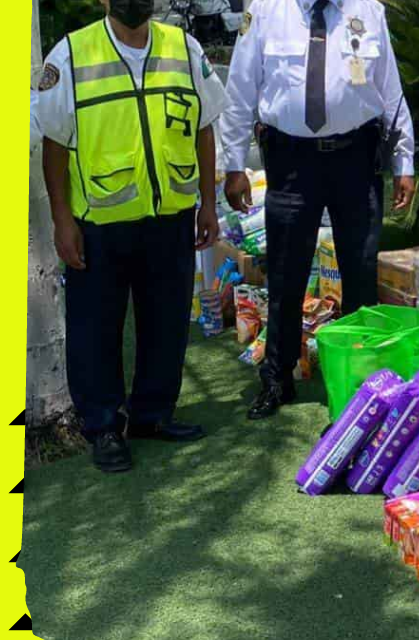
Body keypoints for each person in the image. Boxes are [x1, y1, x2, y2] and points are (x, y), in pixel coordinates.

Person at [38, 0, 226, 472]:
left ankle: (152, 415)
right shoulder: (71, 55)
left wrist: (207, 202)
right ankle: (103, 427)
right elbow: (55, 144)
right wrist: (62, 219)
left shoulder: (183, 47)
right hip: (99, 223)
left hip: (171, 216)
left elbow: (204, 127)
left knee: (165, 323)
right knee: (95, 330)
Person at [220, 0, 416, 420]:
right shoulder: (266, 11)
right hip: (291, 163)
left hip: (356, 161)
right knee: (286, 275)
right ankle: (277, 376)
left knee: (360, 273)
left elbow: (391, 92)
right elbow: (239, 88)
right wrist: (234, 164)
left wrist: (405, 160)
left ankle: (361, 380)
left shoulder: (369, 10)